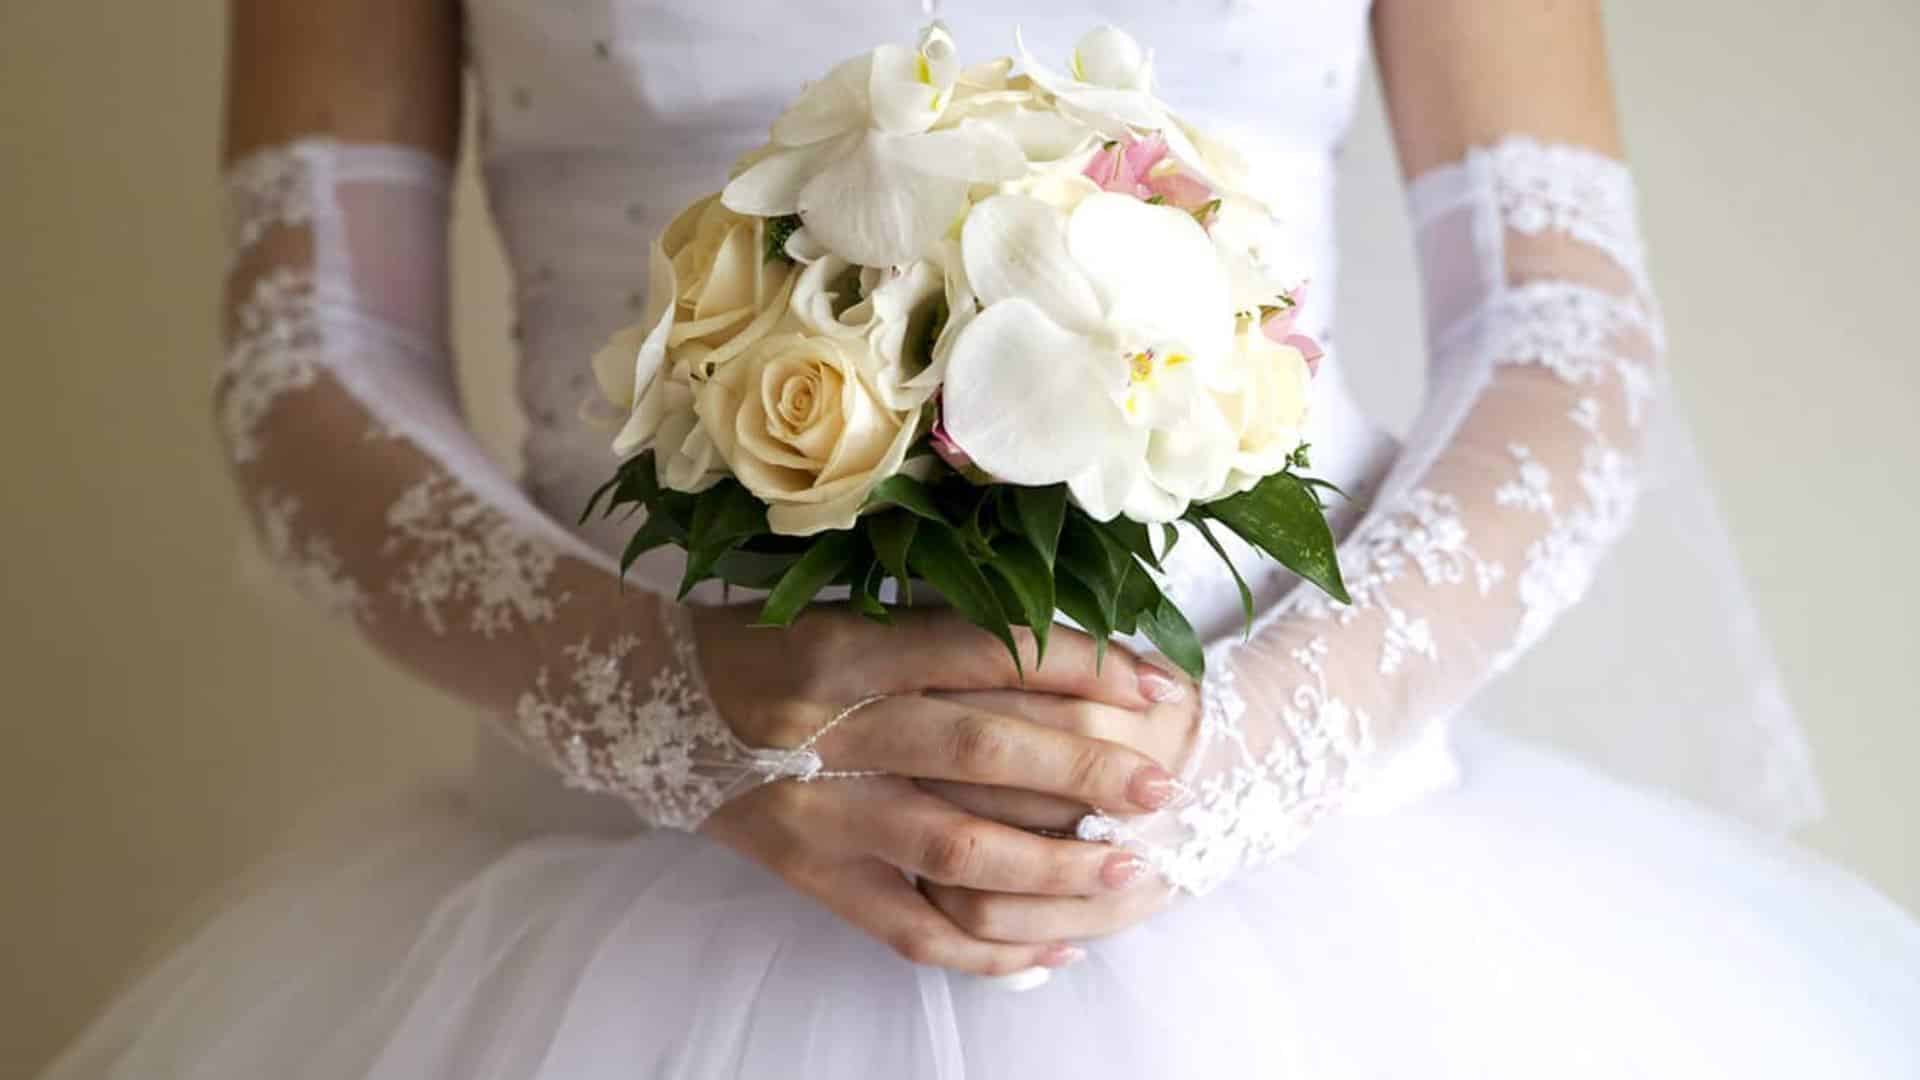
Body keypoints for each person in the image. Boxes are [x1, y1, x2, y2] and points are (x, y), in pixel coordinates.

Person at [42, 1, 1920, 1076]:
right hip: (614, 909)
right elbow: (311, 355)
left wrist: (1256, 755)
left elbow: (1562, 333)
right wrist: (664, 708)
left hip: (1318, 904)